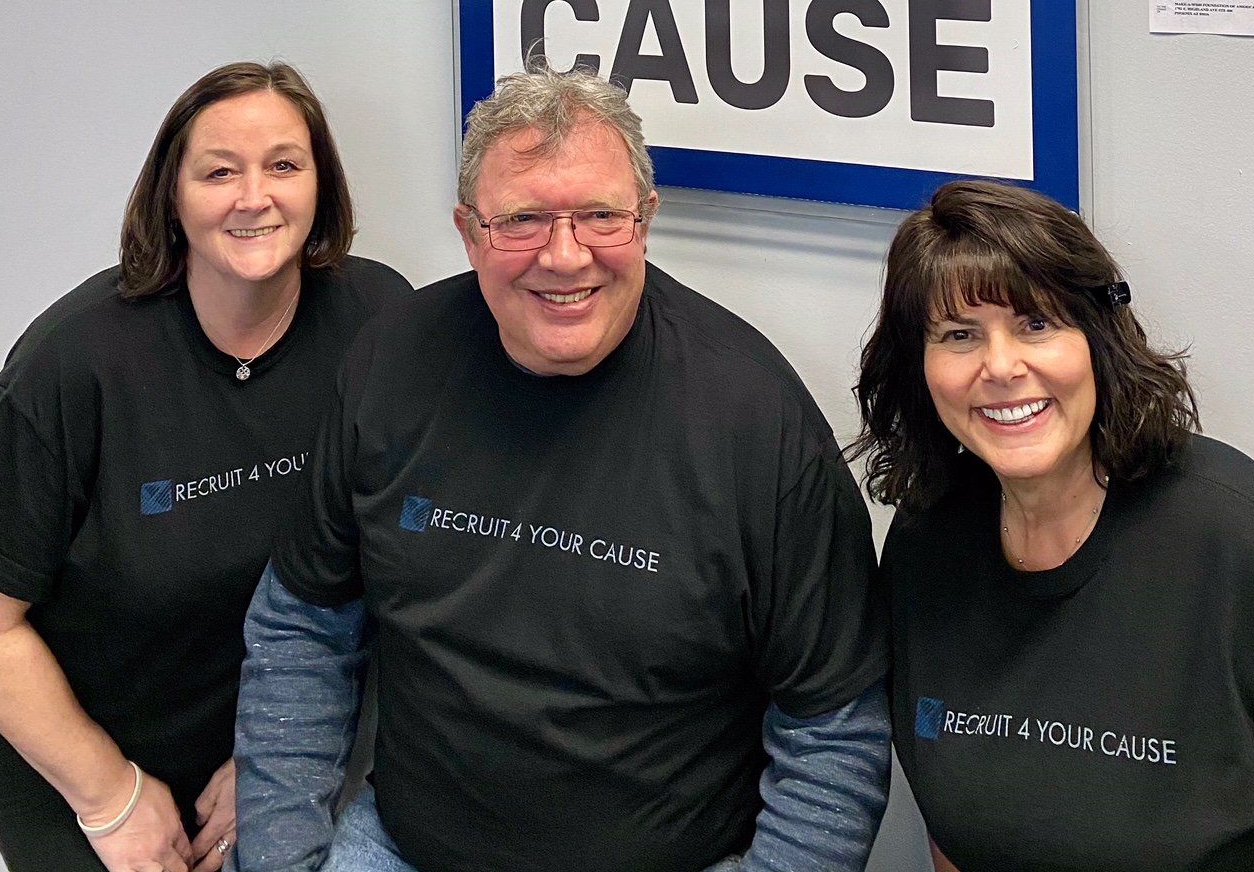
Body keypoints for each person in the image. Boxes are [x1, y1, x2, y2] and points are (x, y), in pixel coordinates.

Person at [233, 62, 890, 872]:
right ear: (469, 231)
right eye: (522, 220)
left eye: (600, 216)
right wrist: (280, 860)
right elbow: (302, 626)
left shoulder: (755, 419)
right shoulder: (392, 361)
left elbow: (834, 727)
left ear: (646, 219)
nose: (565, 255)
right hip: (405, 846)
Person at [853, 177, 1254, 872]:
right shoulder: (928, 546)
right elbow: (958, 829)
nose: (1001, 366)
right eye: (959, 335)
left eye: (1036, 324)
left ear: (1100, 338)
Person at [0, 61, 410, 872]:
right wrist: (109, 797)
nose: (253, 196)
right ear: (173, 197)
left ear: (321, 186)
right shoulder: (79, 361)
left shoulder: (374, 319)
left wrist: (279, 754)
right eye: (219, 171)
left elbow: (384, 562)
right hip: (65, 721)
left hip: (258, 708)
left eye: (284, 166)